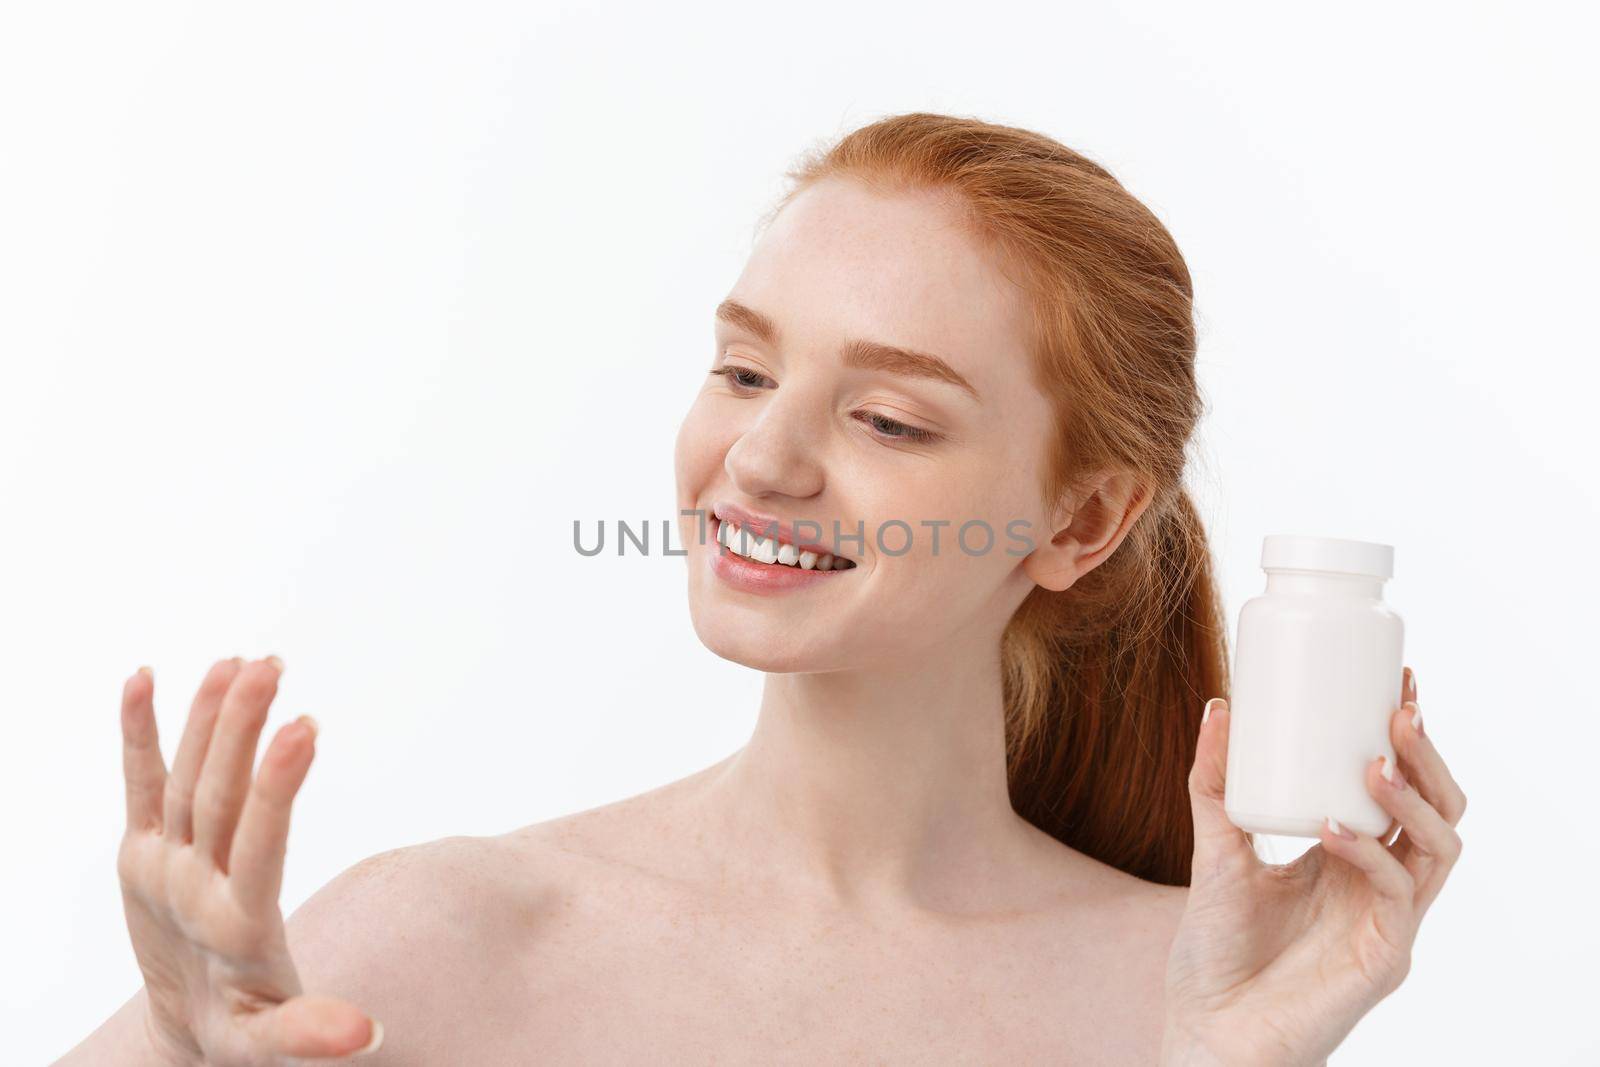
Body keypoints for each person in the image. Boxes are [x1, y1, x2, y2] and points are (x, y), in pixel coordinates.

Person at [57, 112, 1466, 1065]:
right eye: (742, 371)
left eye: (889, 421)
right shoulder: (431, 943)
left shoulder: (1195, 991)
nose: (763, 456)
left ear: (1083, 523)